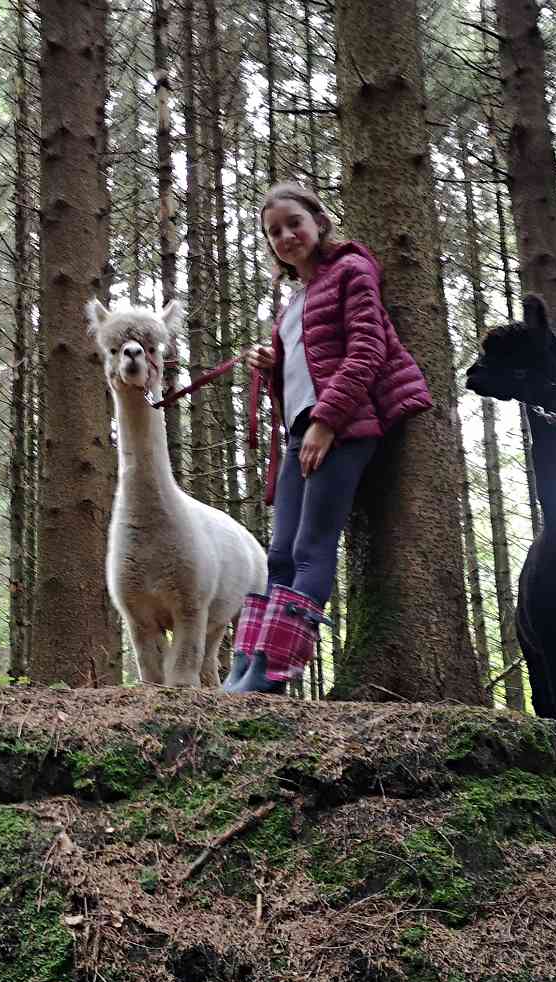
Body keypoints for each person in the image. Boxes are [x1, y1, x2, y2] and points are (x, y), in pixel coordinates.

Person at [222, 181, 433, 694]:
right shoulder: (294, 299)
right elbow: (309, 365)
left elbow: (367, 349)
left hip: (344, 426)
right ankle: (245, 669)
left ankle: (271, 676)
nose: (286, 236)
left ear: (319, 221)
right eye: (274, 232)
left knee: (311, 549)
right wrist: (273, 362)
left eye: (294, 223)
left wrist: (328, 422)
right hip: (302, 430)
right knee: (278, 556)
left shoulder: (351, 271)